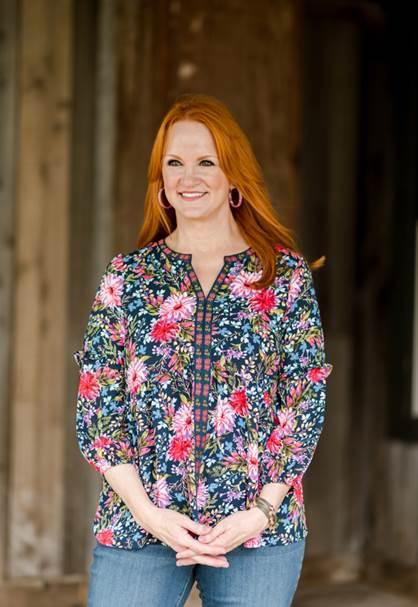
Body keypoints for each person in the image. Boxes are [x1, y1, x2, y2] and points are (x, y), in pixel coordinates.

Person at [73, 93, 333, 607]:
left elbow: (304, 400)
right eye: (174, 163)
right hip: (140, 526)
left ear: (233, 175)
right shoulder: (128, 278)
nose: (188, 177)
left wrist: (261, 509)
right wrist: (150, 515)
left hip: (257, 531)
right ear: (161, 180)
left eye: (205, 162)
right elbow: (98, 405)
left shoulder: (283, 279)